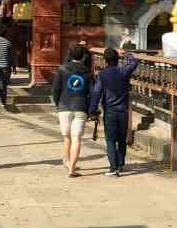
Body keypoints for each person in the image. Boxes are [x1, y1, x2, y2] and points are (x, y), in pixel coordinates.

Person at [89, 48, 139, 177]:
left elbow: (96, 93)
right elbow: (134, 62)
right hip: (123, 111)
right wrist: (126, 54)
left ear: (105, 61)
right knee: (122, 139)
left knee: (110, 140)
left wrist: (92, 109)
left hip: (110, 111)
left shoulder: (102, 74)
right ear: (118, 59)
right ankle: (121, 164)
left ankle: (113, 167)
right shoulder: (124, 71)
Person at [52, 45, 93, 177]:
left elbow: (56, 90)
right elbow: (91, 93)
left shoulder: (62, 69)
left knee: (66, 137)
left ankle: (67, 161)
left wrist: (58, 104)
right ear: (83, 56)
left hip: (64, 106)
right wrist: (91, 109)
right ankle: (72, 169)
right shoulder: (87, 72)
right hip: (81, 107)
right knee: (77, 138)